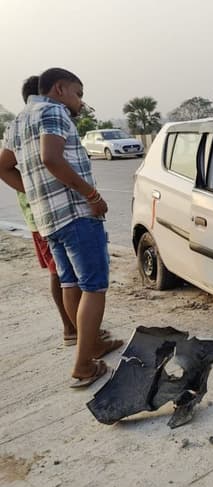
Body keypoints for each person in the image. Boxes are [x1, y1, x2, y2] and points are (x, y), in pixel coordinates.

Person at [0, 67, 122, 388]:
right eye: (78, 94)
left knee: (70, 283)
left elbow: (3, 167)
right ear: (59, 89)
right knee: (94, 287)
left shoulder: (17, 122)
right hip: (76, 214)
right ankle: (83, 365)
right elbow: (51, 158)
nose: (80, 102)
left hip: (47, 220)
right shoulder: (53, 111)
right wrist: (91, 195)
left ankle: (90, 346)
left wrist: (35, 192)